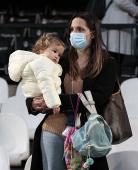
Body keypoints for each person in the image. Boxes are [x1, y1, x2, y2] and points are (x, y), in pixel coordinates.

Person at [26, 12, 117, 170]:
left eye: (80, 29)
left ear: (93, 34)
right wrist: (34, 103)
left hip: (87, 135)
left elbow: (96, 98)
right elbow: (36, 87)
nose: (75, 34)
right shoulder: (61, 59)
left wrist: (56, 101)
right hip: (53, 130)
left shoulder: (106, 63)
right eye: (72, 29)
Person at [8, 33, 65, 114]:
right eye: (54, 51)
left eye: (59, 55)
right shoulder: (43, 62)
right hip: (47, 97)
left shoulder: (43, 62)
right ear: (42, 49)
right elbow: (46, 82)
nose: (56, 56)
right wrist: (54, 103)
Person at [101, 0, 138, 75]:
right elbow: (120, 1)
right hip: (117, 24)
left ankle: (114, 85)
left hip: (120, 25)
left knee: (115, 62)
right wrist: (136, 10)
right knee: (112, 62)